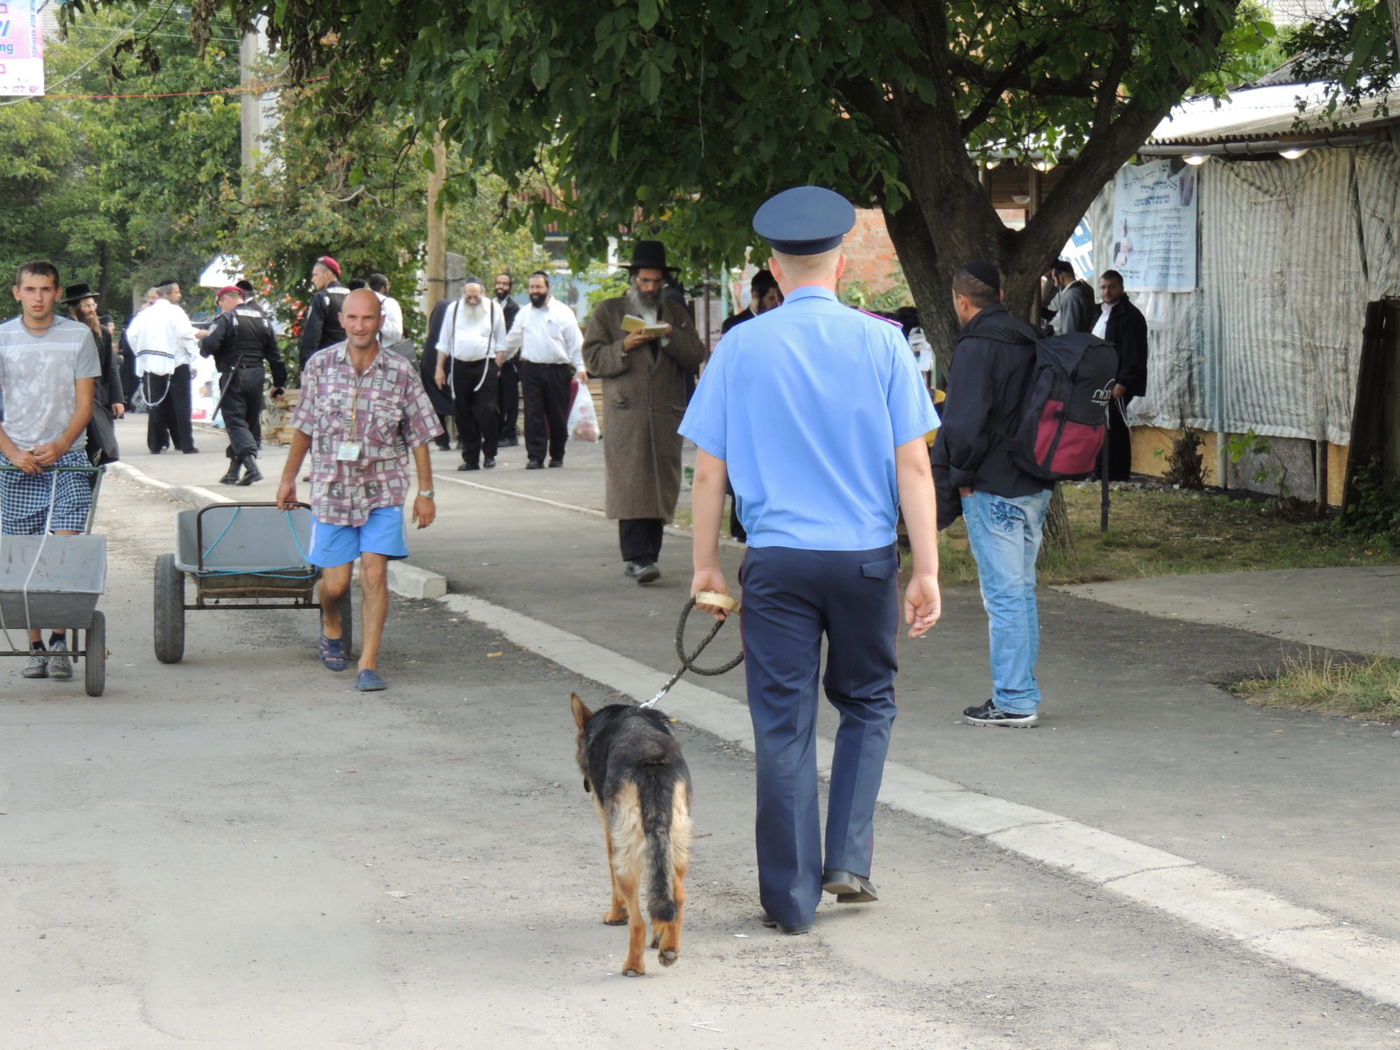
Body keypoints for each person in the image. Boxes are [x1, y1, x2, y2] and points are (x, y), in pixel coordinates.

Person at [681, 186, 941, 935]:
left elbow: (707, 471)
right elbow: (914, 469)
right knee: (867, 703)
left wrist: (705, 567)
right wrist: (924, 568)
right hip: (864, 561)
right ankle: (849, 859)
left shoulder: (740, 347)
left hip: (778, 564)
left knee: (782, 724)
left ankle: (790, 901)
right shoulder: (885, 343)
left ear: (773, 264)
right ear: (840, 262)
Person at [276, 288, 442, 692]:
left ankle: (368, 663)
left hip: (382, 486)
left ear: (380, 321)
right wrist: (288, 478)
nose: (360, 326)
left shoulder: (401, 371)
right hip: (332, 486)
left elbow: (419, 434)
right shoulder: (320, 366)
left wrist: (426, 492)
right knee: (334, 585)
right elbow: (305, 426)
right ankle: (331, 620)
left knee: (374, 571)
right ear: (342, 321)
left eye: (367, 318)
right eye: (353, 318)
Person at [931, 261, 1053, 728]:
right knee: (1020, 593)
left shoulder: (977, 346)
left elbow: (961, 427)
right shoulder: (1027, 337)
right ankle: (1021, 688)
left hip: (991, 488)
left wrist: (954, 478)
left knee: (1004, 596)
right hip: (1033, 484)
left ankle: (1016, 698)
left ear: (962, 301)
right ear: (999, 293)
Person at [582, 241, 707, 584]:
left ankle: (649, 555)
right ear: (634, 279)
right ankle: (638, 558)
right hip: (628, 414)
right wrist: (624, 345)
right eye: (645, 281)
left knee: (659, 485)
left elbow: (696, 355)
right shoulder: (609, 312)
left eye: (656, 282)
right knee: (631, 483)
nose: (651, 288)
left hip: (665, 413)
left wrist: (668, 336)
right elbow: (592, 359)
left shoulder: (676, 314)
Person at [0, 261, 102, 680]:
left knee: (62, 552)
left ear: (57, 294)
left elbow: (84, 404)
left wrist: (60, 446)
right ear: (17, 293)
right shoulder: (3, 337)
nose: (38, 297)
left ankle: (61, 642)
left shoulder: (77, 337)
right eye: (30, 289)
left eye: (45, 289)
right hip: (15, 463)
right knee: (23, 557)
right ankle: (36, 646)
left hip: (68, 459)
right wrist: (11, 451)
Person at [200, 285, 287, 485]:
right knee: (249, 421)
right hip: (257, 374)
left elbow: (209, 346)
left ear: (227, 300)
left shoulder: (226, 319)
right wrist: (279, 384)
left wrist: (205, 342)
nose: (221, 308)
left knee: (235, 422)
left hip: (234, 374)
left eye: (221, 304)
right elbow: (275, 356)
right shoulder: (263, 319)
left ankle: (251, 465)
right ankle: (234, 471)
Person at [502, 270, 586, 469]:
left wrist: (581, 367)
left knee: (557, 414)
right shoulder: (524, 313)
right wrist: (498, 361)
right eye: (532, 287)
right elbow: (513, 339)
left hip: (558, 370)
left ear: (548, 288)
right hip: (531, 369)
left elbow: (576, 343)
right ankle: (535, 456)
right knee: (533, 414)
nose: (535, 291)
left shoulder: (563, 312)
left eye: (538, 287)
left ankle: (557, 455)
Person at [433, 276, 507, 471]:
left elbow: (502, 342)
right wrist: (439, 368)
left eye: (476, 297)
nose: (473, 300)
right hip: (459, 366)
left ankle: (490, 453)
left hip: (485, 366)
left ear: (483, 294)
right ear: (463, 295)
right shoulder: (454, 309)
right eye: (469, 297)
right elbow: (444, 342)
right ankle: (470, 457)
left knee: (487, 411)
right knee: (462, 413)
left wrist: (497, 366)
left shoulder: (493, 309)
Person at [127, 279, 206, 455]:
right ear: (167, 294)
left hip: (151, 364)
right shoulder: (175, 312)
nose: (180, 295)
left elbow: (131, 335)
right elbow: (186, 334)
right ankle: (185, 443)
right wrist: (193, 352)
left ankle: (155, 444)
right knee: (181, 405)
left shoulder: (146, 314)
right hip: (176, 363)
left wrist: (143, 355)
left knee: (156, 405)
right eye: (177, 292)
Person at [1093, 268, 1148, 481]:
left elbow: (1133, 352)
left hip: (1117, 382)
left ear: (1121, 288)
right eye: (1104, 287)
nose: (1107, 291)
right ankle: (1099, 470)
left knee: (1115, 426)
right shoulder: (1098, 312)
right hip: (1097, 379)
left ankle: (1117, 473)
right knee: (1098, 425)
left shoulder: (1129, 316)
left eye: (1112, 287)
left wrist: (1123, 381)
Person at [61, 282, 125, 465]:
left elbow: (110, 368)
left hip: (97, 398)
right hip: (70, 399)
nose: (92, 310)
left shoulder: (102, 333)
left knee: (99, 445)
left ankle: (91, 486)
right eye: (87, 306)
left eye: (93, 305)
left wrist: (117, 399)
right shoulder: (61, 332)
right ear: (75, 308)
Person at [298, 255, 349, 368]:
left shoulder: (321, 297)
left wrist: (305, 365)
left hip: (328, 362)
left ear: (328, 274)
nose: (312, 279)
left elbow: (312, 335)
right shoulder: (352, 296)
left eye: (315, 275)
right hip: (352, 360)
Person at [721, 269, 783, 334]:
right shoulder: (733, 325)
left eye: (779, 298)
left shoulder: (779, 322)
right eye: (771, 298)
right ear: (755, 295)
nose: (777, 303)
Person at [1044, 259, 1095, 336]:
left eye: (1054, 279)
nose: (1055, 284)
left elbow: (1069, 330)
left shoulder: (1071, 296)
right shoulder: (1084, 288)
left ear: (1060, 277)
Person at [367, 273, 405, 348]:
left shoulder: (360, 300)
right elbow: (397, 333)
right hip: (384, 351)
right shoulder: (389, 303)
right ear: (383, 288)